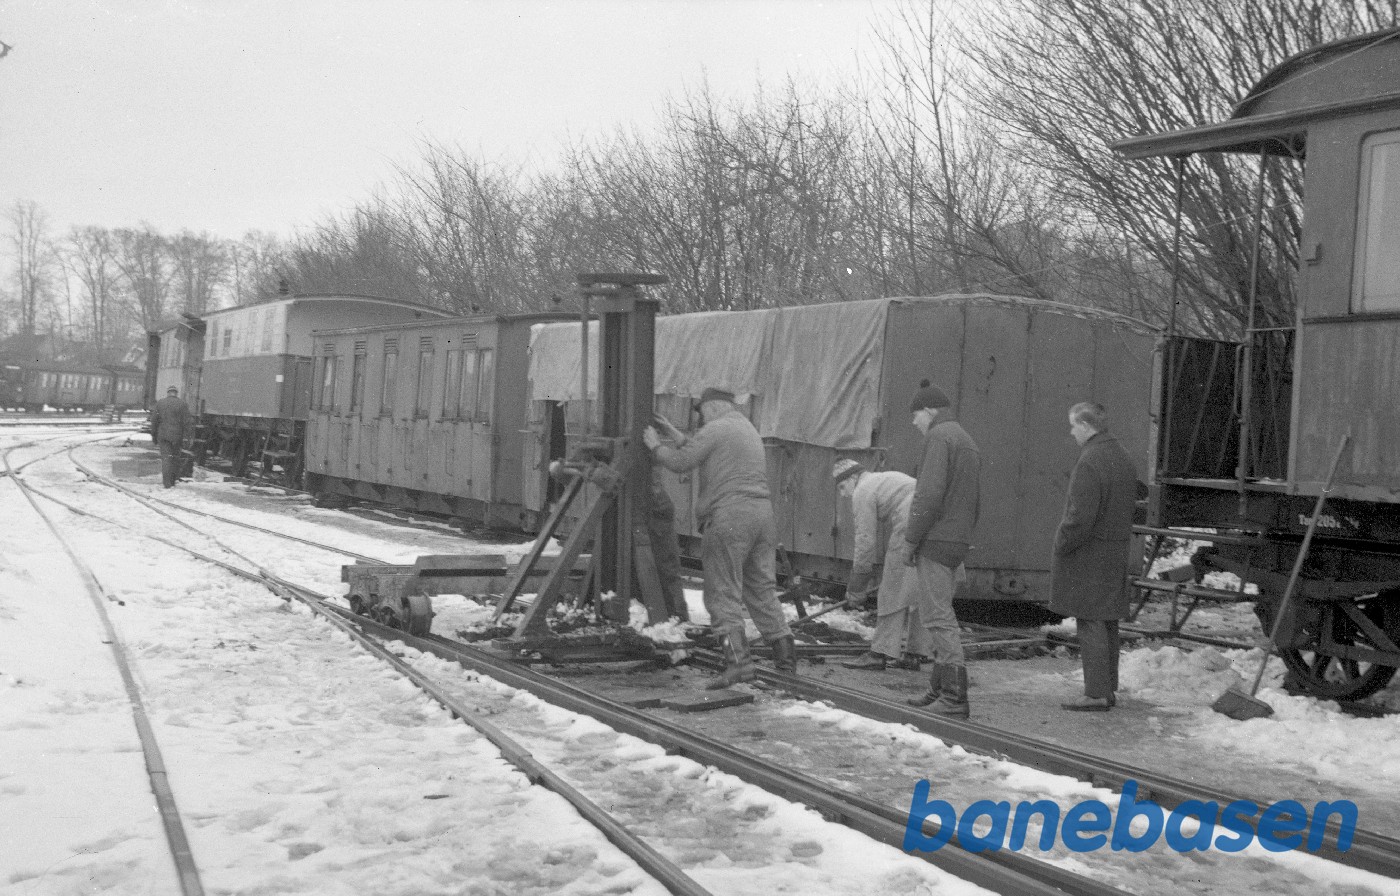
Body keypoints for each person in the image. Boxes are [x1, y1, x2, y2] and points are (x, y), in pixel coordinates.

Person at [643, 388, 796, 688]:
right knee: (760, 589)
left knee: (721, 593)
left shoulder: (715, 428)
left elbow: (680, 462)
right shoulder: (745, 428)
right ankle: (787, 661)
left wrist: (654, 447)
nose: (700, 420)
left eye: (700, 414)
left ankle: (738, 664)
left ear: (712, 407)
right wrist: (674, 433)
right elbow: (706, 451)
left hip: (729, 518)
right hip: (762, 517)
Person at [1051, 401, 1140, 711]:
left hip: (1090, 553)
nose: (1071, 431)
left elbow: (1079, 516)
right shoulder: (1121, 456)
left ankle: (1095, 694)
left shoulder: (1090, 460)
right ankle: (1107, 689)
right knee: (1107, 622)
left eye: (1074, 425)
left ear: (1086, 427)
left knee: (1090, 621)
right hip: (1114, 550)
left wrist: (1061, 542)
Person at [903, 380, 980, 718]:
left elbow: (928, 496)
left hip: (935, 539)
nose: (914, 422)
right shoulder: (965, 439)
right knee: (940, 609)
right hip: (956, 539)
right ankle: (938, 688)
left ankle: (954, 696)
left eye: (915, 415)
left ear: (930, 411)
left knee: (936, 615)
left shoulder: (938, 437)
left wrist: (909, 539)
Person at [833, 459, 933, 671]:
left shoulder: (862, 491)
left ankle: (879, 653)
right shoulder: (881, 480)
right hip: (931, 516)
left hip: (910, 519)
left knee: (892, 587)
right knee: (919, 588)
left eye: (842, 487)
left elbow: (865, 543)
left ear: (852, 478)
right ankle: (916, 653)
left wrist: (856, 587)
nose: (844, 494)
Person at [648, 466, 690, 622]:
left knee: (667, 567)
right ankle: (678, 615)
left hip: (655, 504)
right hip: (656, 502)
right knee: (668, 568)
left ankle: (678, 616)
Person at [150, 385, 191, 489]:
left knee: (166, 459)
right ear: (176, 393)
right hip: (177, 436)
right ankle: (172, 481)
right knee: (175, 458)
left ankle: (167, 483)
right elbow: (187, 423)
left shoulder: (160, 403)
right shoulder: (182, 404)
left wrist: (153, 435)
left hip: (163, 436)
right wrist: (188, 437)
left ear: (168, 393)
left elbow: (154, 421)